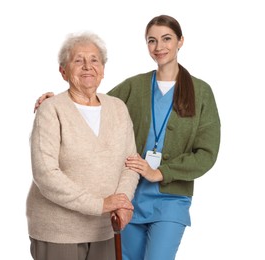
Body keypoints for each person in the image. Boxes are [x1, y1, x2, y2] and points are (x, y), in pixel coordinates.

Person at [34, 15, 221, 260]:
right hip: (129, 197)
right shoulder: (135, 86)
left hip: (171, 198)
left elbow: (206, 154)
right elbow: (89, 103)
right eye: (151, 41)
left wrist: (161, 172)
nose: (159, 47)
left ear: (180, 41)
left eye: (167, 39)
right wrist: (55, 100)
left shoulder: (201, 91)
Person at [26, 32, 140, 260]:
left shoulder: (118, 108)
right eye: (78, 60)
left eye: (94, 60)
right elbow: (46, 174)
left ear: (103, 70)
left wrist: (121, 201)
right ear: (63, 71)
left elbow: (130, 163)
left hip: (105, 228)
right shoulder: (52, 109)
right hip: (58, 231)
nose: (88, 66)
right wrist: (99, 204)